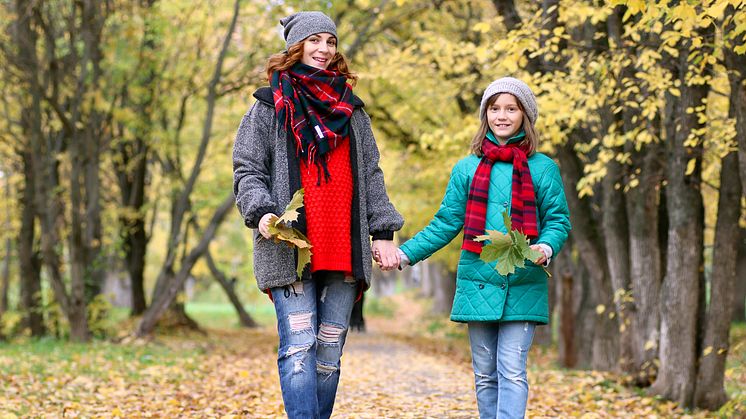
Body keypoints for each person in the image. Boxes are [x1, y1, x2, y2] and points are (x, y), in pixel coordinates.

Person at [232, 11, 403, 419]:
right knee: (297, 347)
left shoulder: (353, 112)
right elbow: (247, 168)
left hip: (344, 244)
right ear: (296, 47)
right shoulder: (268, 106)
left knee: (328, 350)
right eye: (314, 41)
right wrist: (261, 211)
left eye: (330, 41)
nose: (324, 49)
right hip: (289, 243)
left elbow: (372, 174)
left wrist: (382, 231)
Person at [398, 77, 571, 419]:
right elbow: (446, 222)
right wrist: (405, 254)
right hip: (477, 280)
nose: (502, 116)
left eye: (511, 108)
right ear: (485, 115)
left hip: (523, 280)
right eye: (495, 108)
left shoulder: (543, 168)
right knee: (484, 374)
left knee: (512, 369)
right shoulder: (467, 168)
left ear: (525, 115)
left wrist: (546, 247)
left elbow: (558, 220)